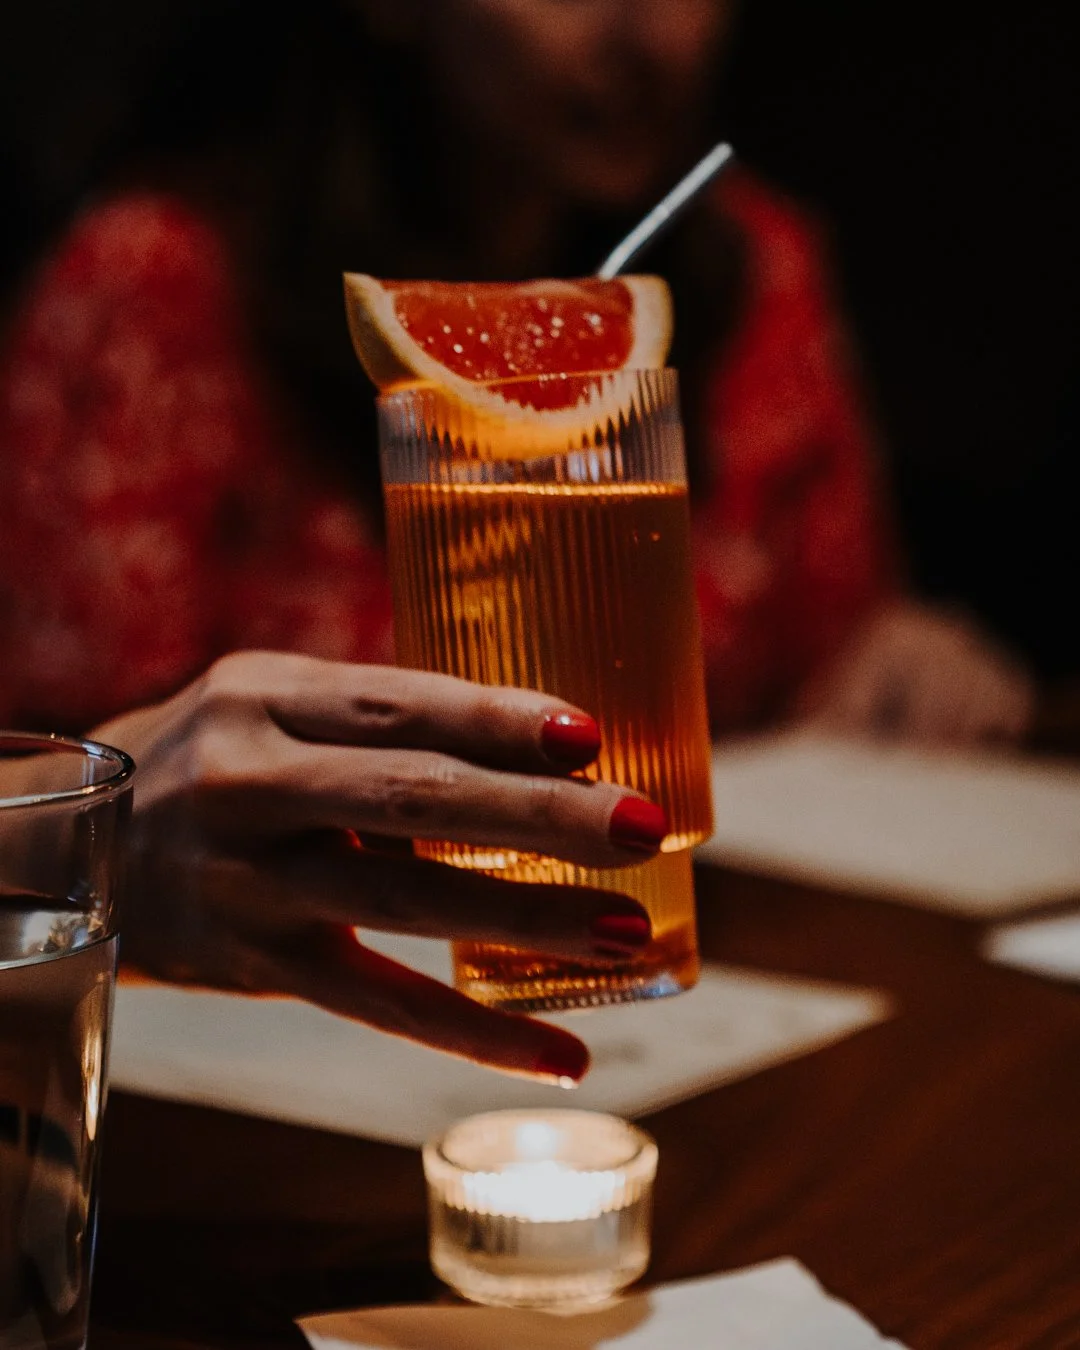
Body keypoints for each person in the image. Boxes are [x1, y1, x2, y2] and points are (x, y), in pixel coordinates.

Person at [0, 0, 1033, 1061]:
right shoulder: (152, 290)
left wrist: (893, 661)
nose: (648, 35)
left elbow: (830, 666)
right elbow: (52, 786)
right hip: (235, 1046)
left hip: (703, 1019)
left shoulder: (758, 269)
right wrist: (91, 824)